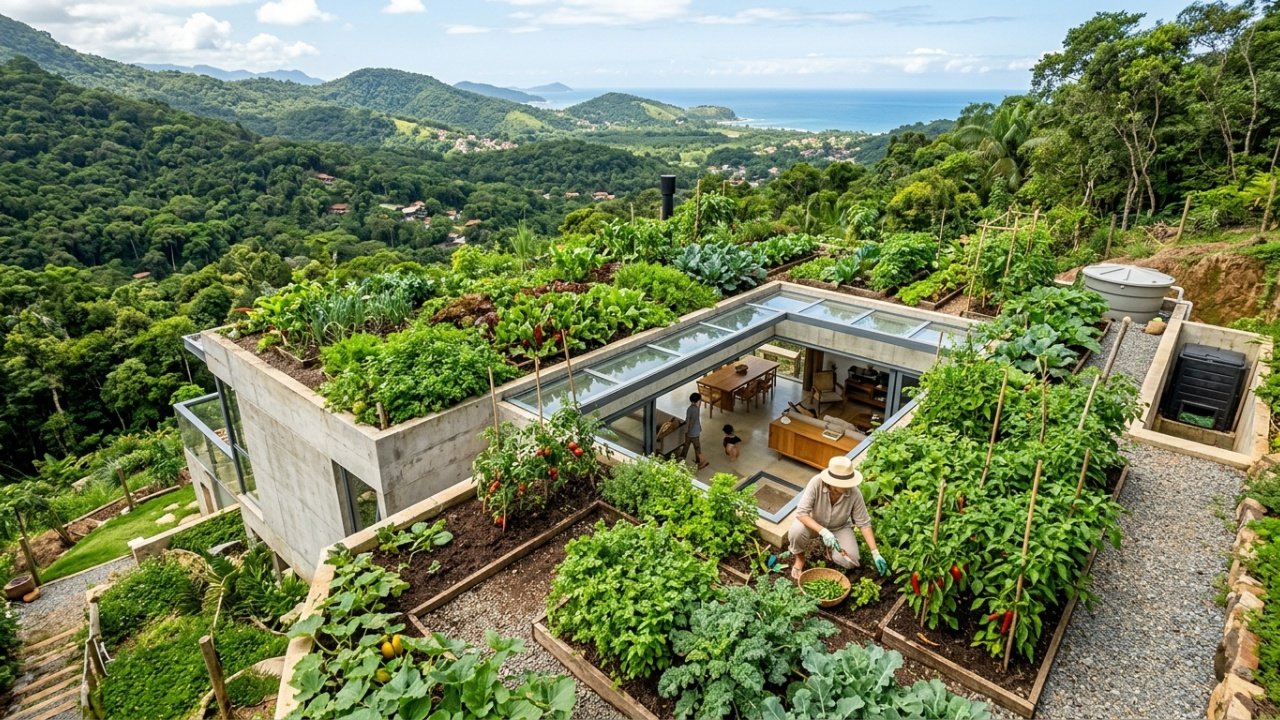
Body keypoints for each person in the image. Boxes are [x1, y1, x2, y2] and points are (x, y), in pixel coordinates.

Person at [788, 455, 888, 579]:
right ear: (833, 483)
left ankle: (829, 548)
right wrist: (823, 531)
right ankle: (800, 559)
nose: (849, 487)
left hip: (839, 527)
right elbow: (801, 513)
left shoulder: (854, 493)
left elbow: (864, 523)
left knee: (850, 561)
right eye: (844, 484)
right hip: (814, 523)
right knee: (796, 531)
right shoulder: (816, 483)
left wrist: (875, 553)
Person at [683, 392, 708, 469]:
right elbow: (692, 421)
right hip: (694, 432)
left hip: (690, 432)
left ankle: (682, 459)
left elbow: (688, 421)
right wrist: (688, 430)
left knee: (686, 446)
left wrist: (686, 431)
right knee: (697, 448)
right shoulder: (696, 409)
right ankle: (699, 462)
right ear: (698, 401)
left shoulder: (690, 409)